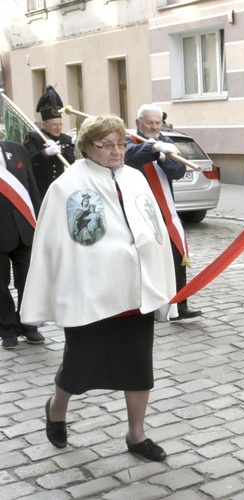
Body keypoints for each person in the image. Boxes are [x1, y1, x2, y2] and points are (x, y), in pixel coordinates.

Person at [20, 115, 176, 461]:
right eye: (106, 144)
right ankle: (56, 409)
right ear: (87, 147)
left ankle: (136, 435)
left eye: (121, 143)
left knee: (139, 369)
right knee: (79, 368)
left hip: (135, 293)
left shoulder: (135, 178)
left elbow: (153, 225)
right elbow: (60, 243)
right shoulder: (69, 185)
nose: (116, 150)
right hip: (91, 294)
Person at [125, 103, 201, 321]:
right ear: (139, 123)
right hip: (141, 210)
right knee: (146, 259)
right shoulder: (129, 139)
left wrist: (165, 156)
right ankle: (147, 305)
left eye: (158, 122)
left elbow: (178, 172)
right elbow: (130, 157)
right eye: (149, 122)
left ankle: (179, 304)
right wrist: (152, 148)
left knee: (177, 256)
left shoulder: (166, 141)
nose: (154, 126)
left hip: (166, 211)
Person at [0, 140, 45, 349]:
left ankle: (29, 325)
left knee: (27, 280)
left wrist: (39, 221)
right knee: (1, 286)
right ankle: (7, 328)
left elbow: (31, 187)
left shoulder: (16, 149)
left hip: (24, 229)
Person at [24, 86, 76, 198]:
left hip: (61, 187)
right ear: (44, 125)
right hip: (40, 187)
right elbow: (29, 160)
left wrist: (63, 150)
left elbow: (71, 162)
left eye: (60, 124)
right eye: (54, 125)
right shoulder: (34, 137)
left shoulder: (66, 139)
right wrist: (45, 152)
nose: (58, 128)